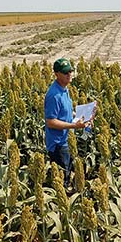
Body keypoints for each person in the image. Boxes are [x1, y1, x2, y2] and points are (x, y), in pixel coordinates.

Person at [44, 58, 90, 187]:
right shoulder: (54, 95)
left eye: (70, 71)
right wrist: (75, 126)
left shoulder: (65, 89)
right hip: (58, 144)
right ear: (57, 74)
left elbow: (66, 113)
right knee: (61, 178)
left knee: (68, 171)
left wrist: (82, 117)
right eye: (66, 72)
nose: (69, 74)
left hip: (66, 140)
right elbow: (51, 122)